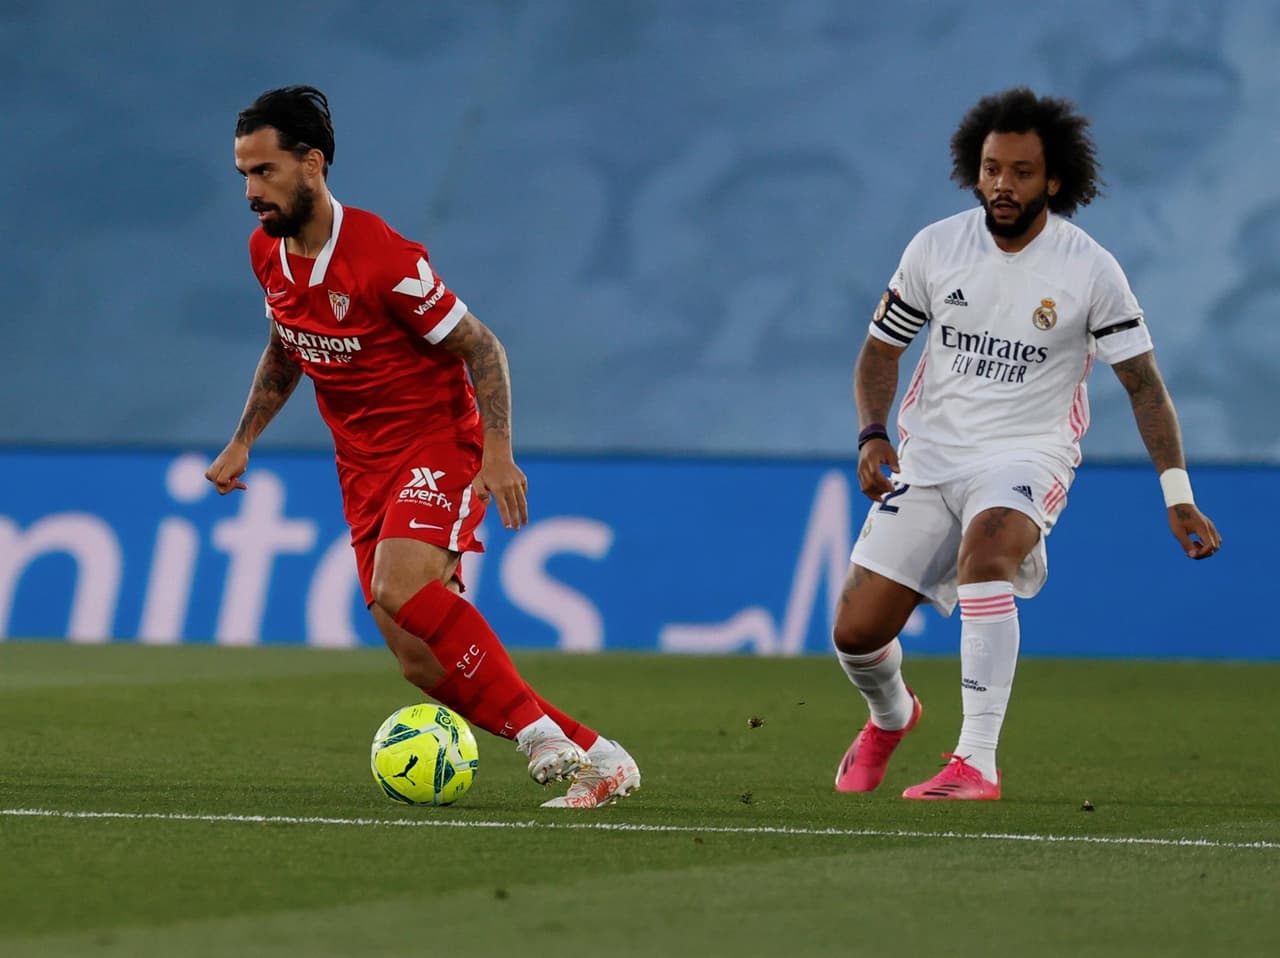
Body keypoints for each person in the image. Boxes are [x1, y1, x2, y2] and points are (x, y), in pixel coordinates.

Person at [205, 85, 639, 809]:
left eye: (265, 171)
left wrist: (496, 455)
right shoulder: (268, 254)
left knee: (398, 587)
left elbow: (482, 347)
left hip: (435, 440)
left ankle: (538, 736)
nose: (251, 191)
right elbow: (287, 345)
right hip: (362, 463)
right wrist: (243, 438)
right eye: (243, 174)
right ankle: (600, 756)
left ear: (312, 164)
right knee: (418, 659)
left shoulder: (382, 257)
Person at [832, 87, 1221, 800]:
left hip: (1027, 453)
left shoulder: (1088, 269)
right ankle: (891, 717)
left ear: (1055, 180)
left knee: (989, 559)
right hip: (932, 455)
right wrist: (872, 435)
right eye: (990, 170)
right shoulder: (935, 247)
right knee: (855, 633)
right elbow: (880, 353)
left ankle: (975, 762)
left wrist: (1178, 495)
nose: (1002, 186)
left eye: (1019, 172)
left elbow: (1143, 385)